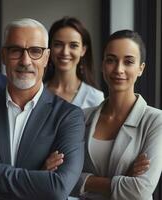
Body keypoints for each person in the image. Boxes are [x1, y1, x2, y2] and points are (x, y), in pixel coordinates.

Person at [0, 18, 85, 200]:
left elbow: (57, 189)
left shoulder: (68, 116)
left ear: (46, 57)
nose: (25, 61)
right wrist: (36, 179)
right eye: (16, 51)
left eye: (35, 51)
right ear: (3, 55)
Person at [68, 30, 162, 199]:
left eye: (128, 62)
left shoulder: (155, 121)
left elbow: (140, 190)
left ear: (141, 68)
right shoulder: (82, 117)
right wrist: (124, 177)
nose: (119, 69)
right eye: (111, 60)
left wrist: (87, 181)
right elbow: (64, 179)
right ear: (103, 65)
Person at [44, 17, 104, 108]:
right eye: (58, 45)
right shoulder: (36, 93)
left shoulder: (95, 98)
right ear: (49, 48)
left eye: (73, 46)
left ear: (83, 50)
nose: (65, 52)